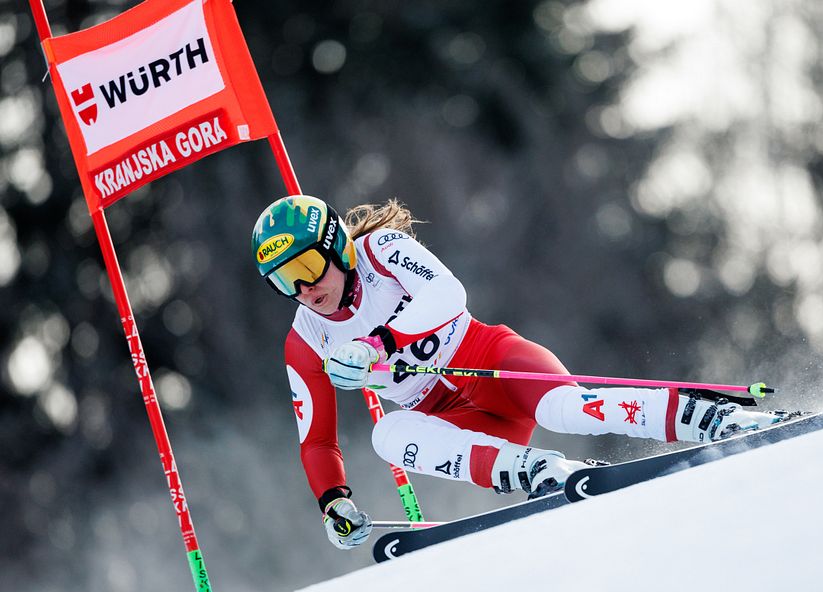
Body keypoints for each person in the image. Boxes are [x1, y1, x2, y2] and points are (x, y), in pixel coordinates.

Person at [252, 195, 784, 550]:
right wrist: (334, 503)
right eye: (283, 281)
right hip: (456, 417)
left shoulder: (380, 250)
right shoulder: (306, 339)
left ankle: (714, 419)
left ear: (337, 248)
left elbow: (448, 293)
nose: (304, 290)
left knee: (566, 409)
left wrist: (378, 344)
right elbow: (317, 440)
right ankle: (538, 472)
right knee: (386, 434)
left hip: (493, 363)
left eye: (307, 268)